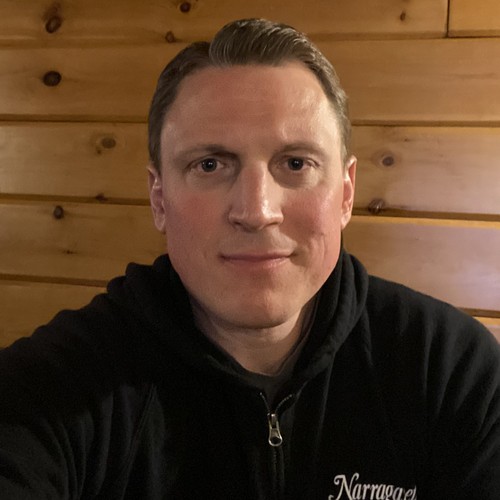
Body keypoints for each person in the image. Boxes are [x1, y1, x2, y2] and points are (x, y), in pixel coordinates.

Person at [0, 18, 499, 500]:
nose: (257, 211)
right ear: (159, 198)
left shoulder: (453, 371)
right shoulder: (46, 388)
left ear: (346, 194)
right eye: (210, 165)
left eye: (296, 163)